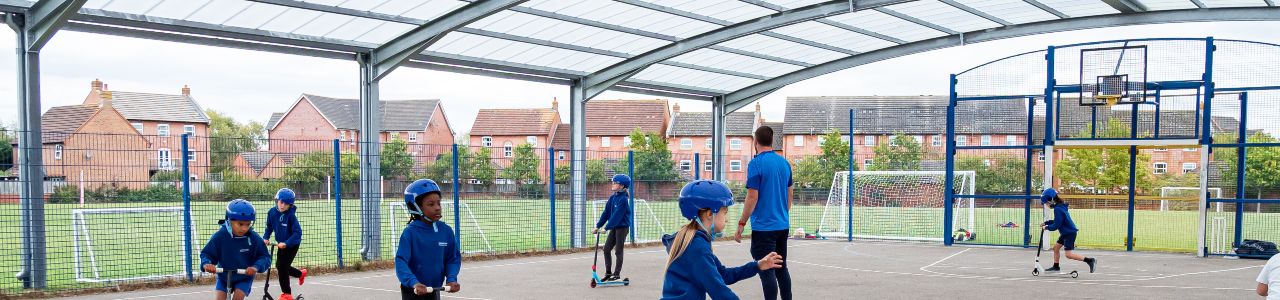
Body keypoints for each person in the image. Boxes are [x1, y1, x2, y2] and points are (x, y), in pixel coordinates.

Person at [662, 180, 784, 300]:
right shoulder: (697, 248)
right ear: (710, 213)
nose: (727, 219)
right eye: (725, 213)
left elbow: (723, 275)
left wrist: (757, 266)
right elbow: (718, 291)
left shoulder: (691, 241)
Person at [733, 126, 794, 300]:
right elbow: (790, 193)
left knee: (767, 269)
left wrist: (742, 223)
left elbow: (752, 196)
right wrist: (783, 212)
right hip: (782, 226)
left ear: (755, 141)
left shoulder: (756, 163)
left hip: (764, 228)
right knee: (781, 269)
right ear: (772, 140)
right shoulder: (784, 163)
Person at [395, 179, 462, 300]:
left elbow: (452, 259)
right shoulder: (410, 233)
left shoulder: (445, 231)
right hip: (413, 291)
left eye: (438, 203)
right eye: (431, 204)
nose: (437, 208)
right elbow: (401, 262)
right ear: (415, 206)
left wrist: (452, 279)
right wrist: (413, 282)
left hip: (433, 290)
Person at [201, 199, 272, 300]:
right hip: (224, 277)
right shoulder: (220, 236)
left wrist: (256, 267)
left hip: (244, 277)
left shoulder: (253, 238)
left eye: (248, 224)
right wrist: (207, 264)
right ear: (229, 220)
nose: (244, 228)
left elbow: (265, 257)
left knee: (237, 298)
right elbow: (207, 254)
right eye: (240, 224)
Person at [262, 188, 307, 300]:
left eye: (286, 204)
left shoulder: (290, 216)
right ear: (277, 200)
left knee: (282, 267)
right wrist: (266, 238)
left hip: (292, 245)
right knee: (280, 266)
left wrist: (287, 243)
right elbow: (269, 227)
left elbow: (298, 233)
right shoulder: (271, 212)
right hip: (281, 244)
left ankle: (286, 294)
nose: (282, 205)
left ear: (290, 205)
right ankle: (300, 274)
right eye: (281, 202)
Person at [1040, 188, 1097, 274]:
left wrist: (1047, 227)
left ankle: (1090, 260)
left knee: (1068, 255)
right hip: (1065, 232)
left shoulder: (1058, 209)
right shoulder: (1060, 207)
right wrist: (1046, 223)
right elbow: (1058, 221)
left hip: (1069, 233)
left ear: (1051, 201)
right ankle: (1056, 267)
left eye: (1046, 203)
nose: (1046, 205)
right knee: (1056, 248)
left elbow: (1056, 226)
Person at [593, 174, 633, 282]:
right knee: (606, 249)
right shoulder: (612, 197)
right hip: (614, 227)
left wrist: (607, 228)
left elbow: (617, 216)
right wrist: (598, 226)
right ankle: (608, 273)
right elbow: (606, 213)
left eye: (615, 183)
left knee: (618, 251)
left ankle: (617, 274)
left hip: (622, 227)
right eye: (613, 182)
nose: (613, 184)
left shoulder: (623, 200)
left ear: (622, 186)